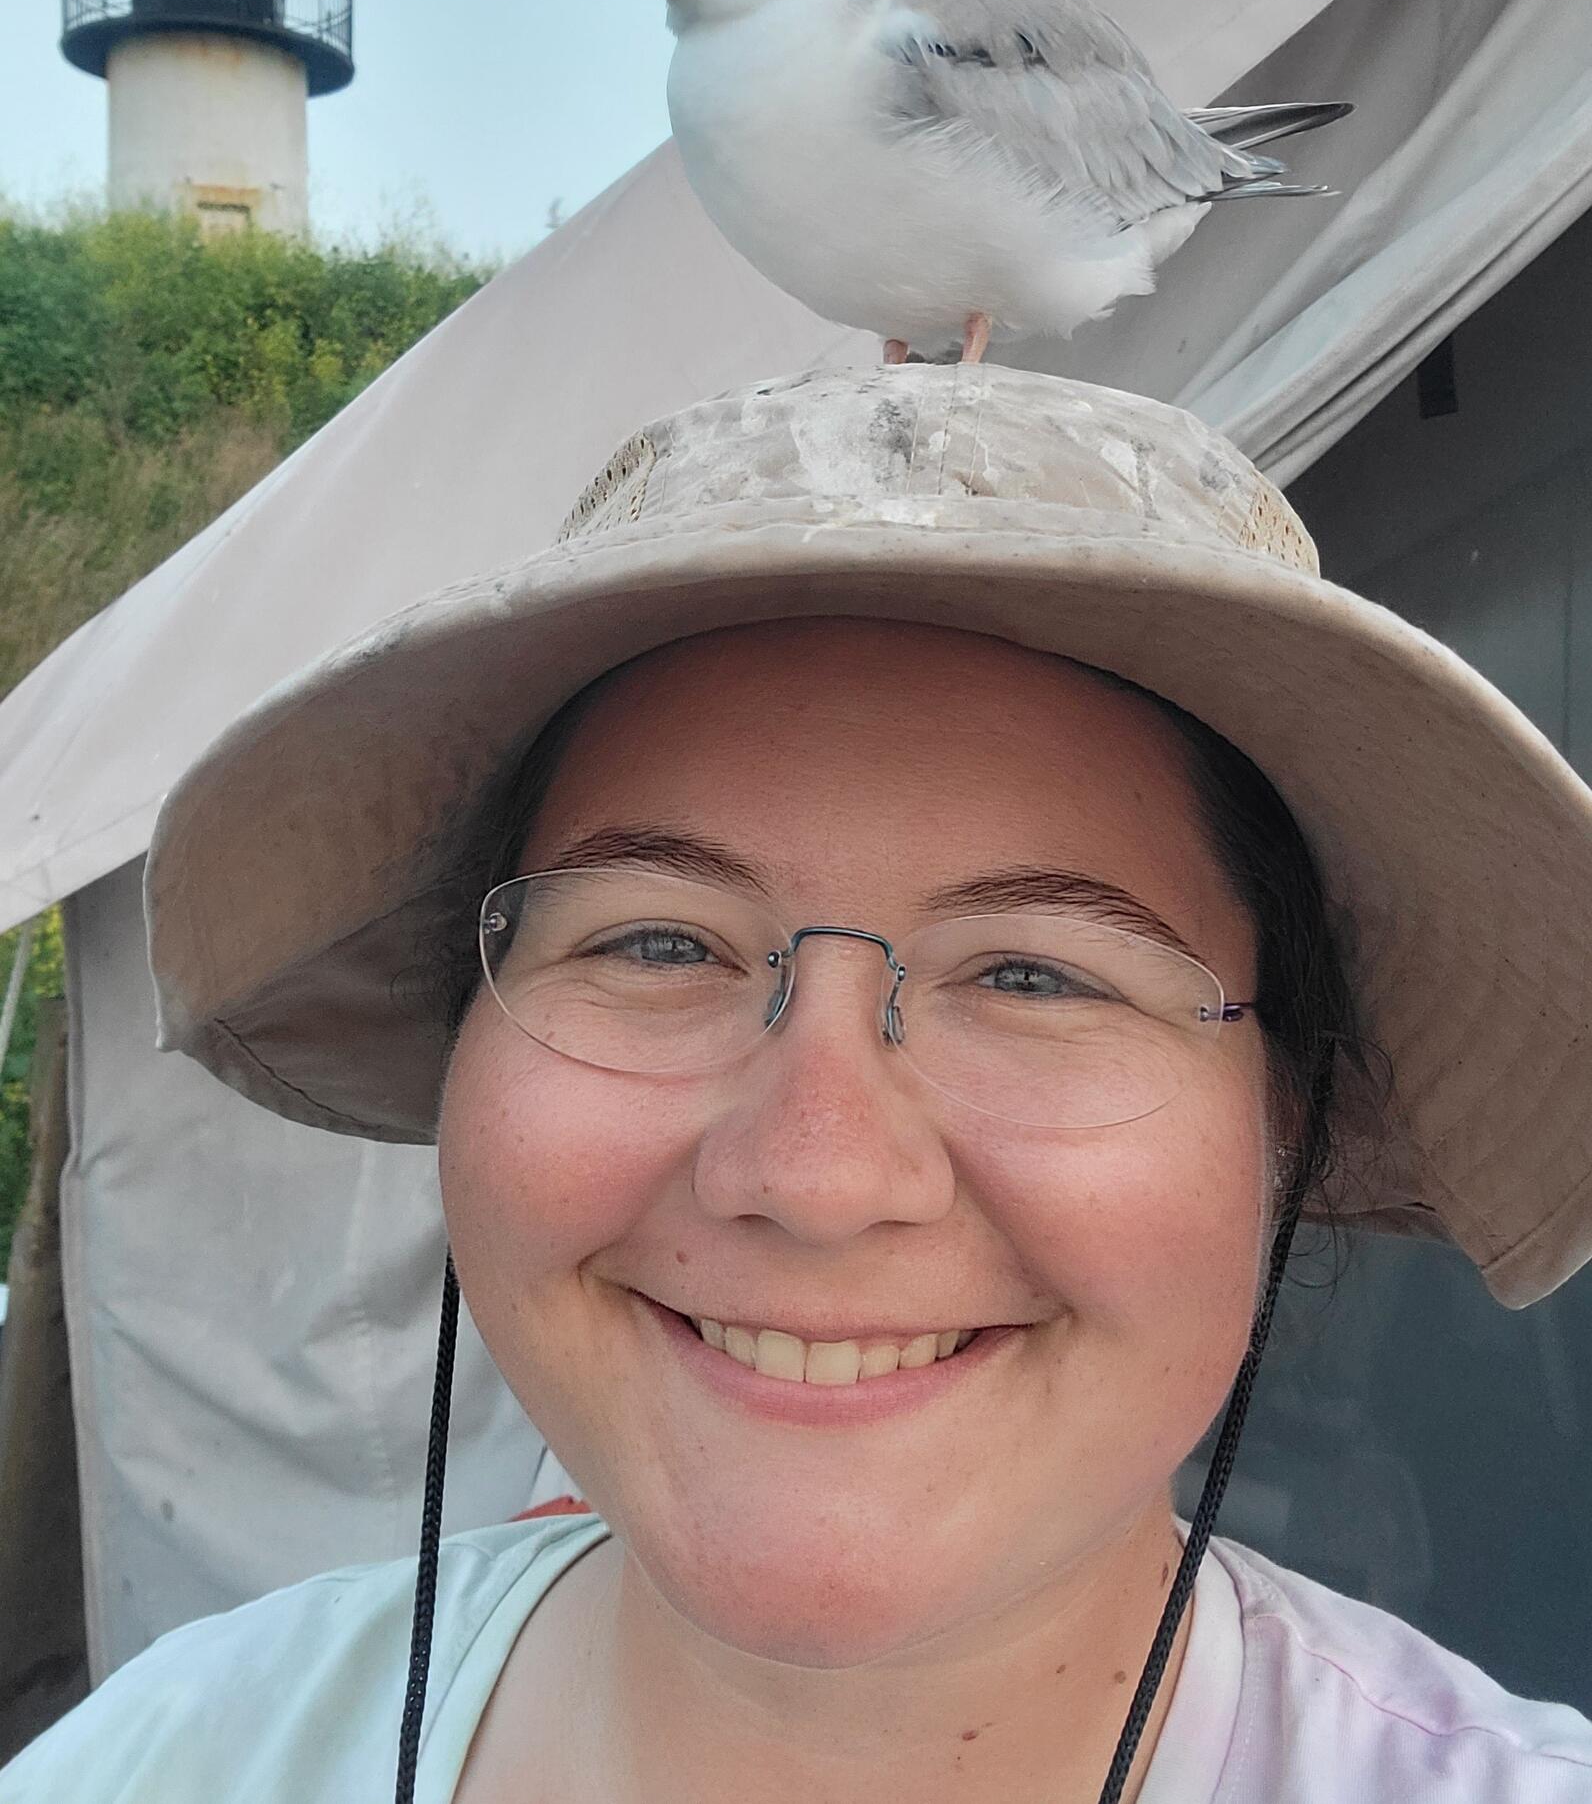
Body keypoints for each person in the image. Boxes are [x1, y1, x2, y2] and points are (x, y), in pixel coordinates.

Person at [5, 364, 1592, 1804]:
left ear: (1284, 1115)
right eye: (657, 945)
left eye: (1035, 974)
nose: (817, 1173)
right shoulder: (178, 1757)